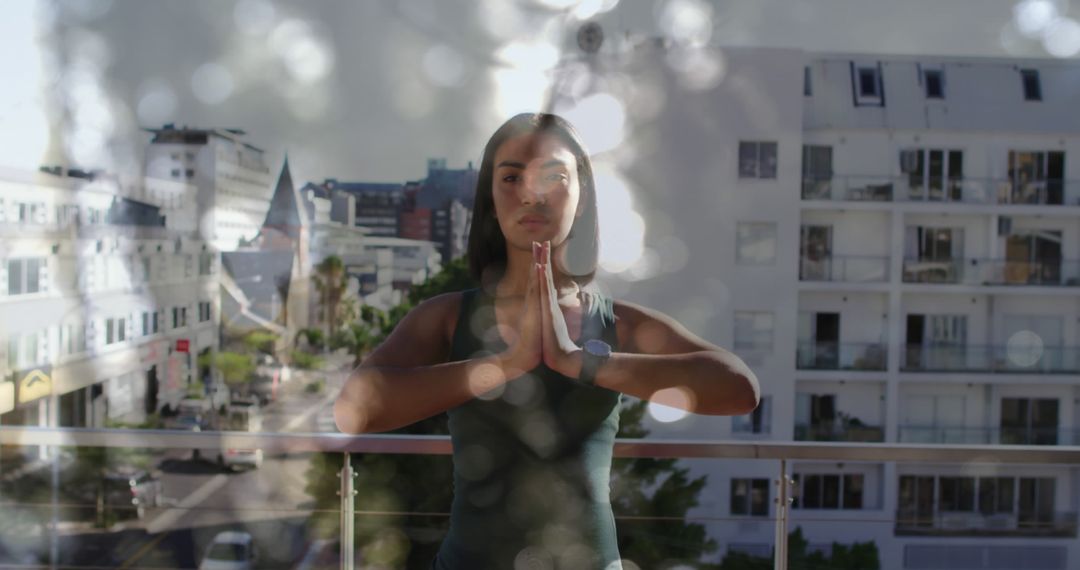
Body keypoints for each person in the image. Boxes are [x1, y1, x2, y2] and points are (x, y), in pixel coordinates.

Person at [334, 113, 760, 570]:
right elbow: (352, 411)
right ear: (491, 199)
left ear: (582, 196)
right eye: (512, 176)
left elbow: (739, 389)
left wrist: (580, 361)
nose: (532, 193)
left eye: (554, 175)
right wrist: (504, 365)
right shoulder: (446, 317)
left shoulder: (617, 322)